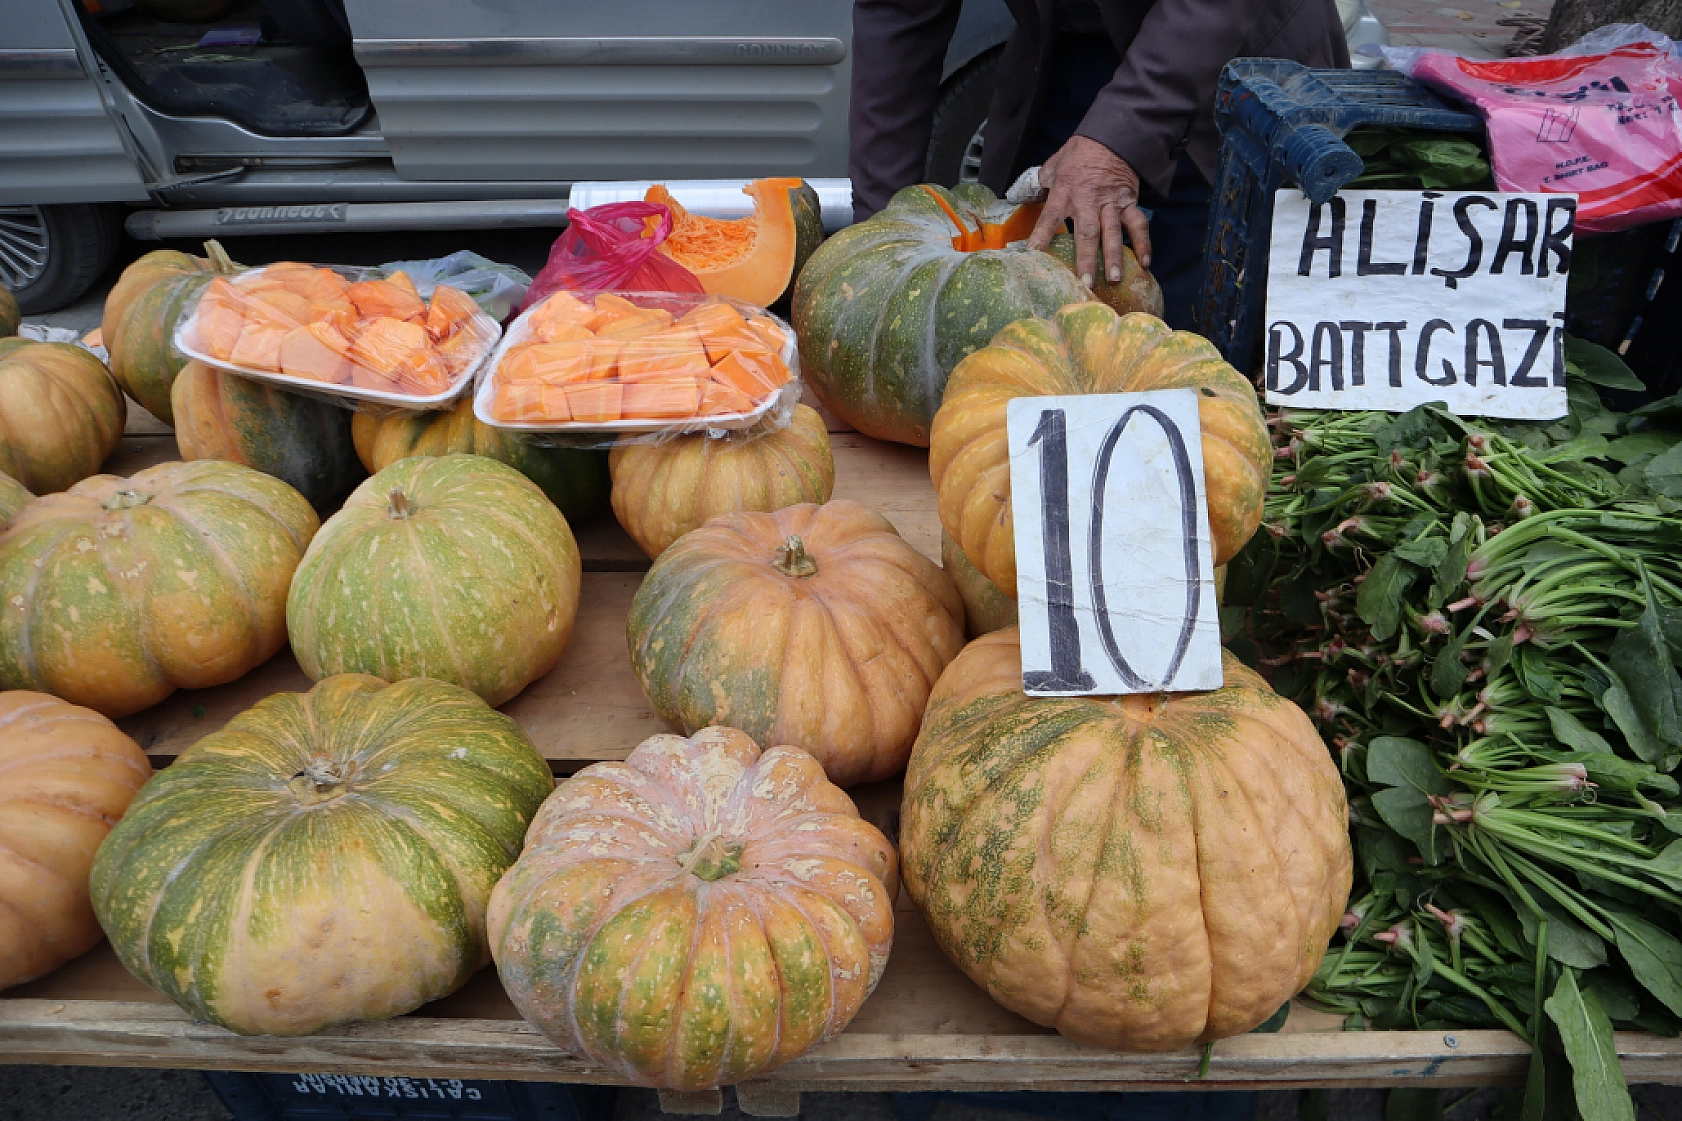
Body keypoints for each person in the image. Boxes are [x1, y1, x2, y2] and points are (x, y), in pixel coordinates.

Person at [849, 0, 1350, 330]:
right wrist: (878, 241)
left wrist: (1119, 138)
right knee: (1031, 324)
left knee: (1211, 356)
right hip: (1061, 56)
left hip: (1229, 64)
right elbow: (900, 13)